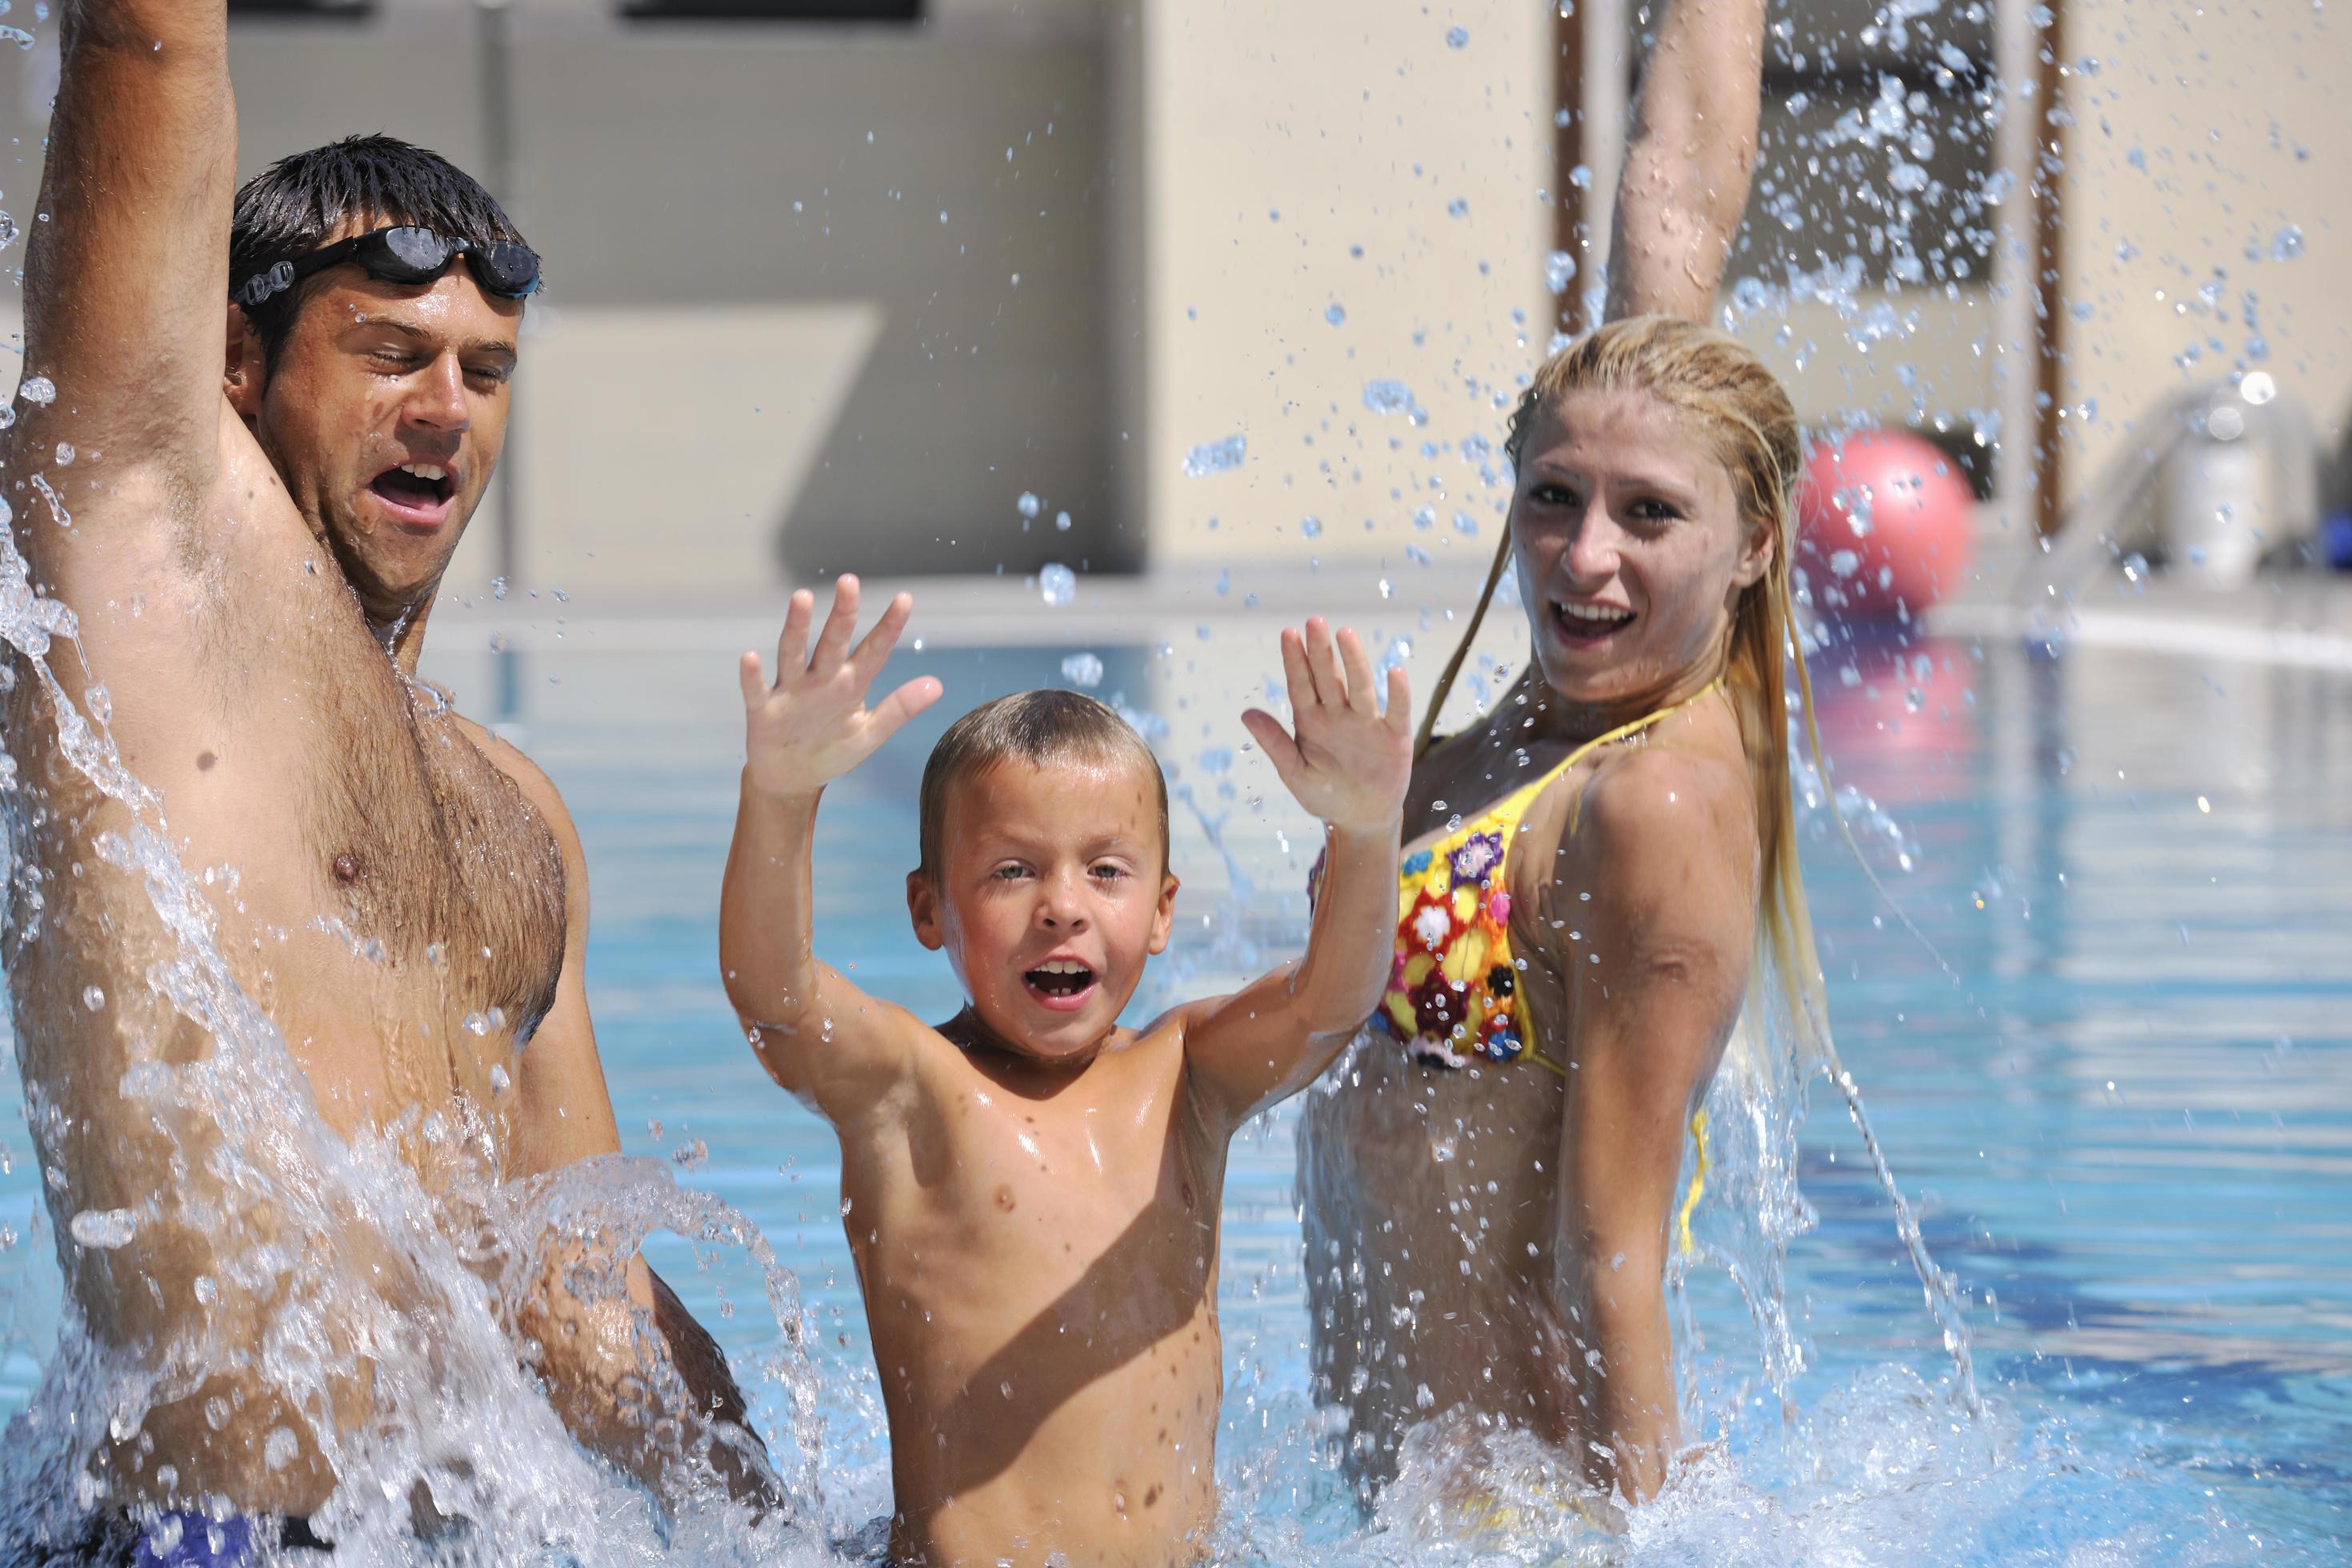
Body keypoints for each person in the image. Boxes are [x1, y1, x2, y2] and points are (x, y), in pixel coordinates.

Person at [3, 1, 764, 1552]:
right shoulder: (157, 607)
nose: (447, 411)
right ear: (232, 360)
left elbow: (583, 1290)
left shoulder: (512, 811)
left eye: (486, 371)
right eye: (391, 352)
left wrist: (788, 1521)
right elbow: (145, 54)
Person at [1294, 0, 1809, 1517]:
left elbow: (1616, 1257)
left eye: (1649, 515)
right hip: (1402, 1518)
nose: (1585, 556)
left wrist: (1645, 1550)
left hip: (1514, 1533)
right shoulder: (1565, 711)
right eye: (1551, 498)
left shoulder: (1649, 796)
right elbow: (1674, 193)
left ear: (1755, 543)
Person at [718, 580, 1412, 1566]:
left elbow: (1330, 1001)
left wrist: (1367, 829)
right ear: (928, 910)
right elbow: (771, 995)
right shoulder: (911, 1088)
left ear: (1164, 910)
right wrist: (781, 795)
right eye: (1012, 870)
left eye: (1107, 870)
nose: (1062, 907)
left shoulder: (1185, 1078)